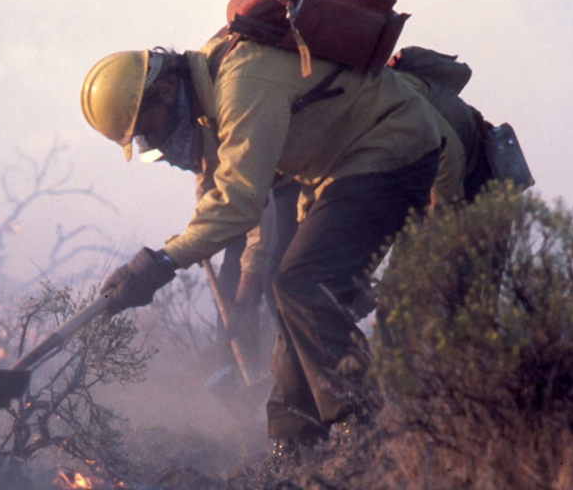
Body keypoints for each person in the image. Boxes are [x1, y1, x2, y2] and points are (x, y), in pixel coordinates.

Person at [80, 36, 445, 464]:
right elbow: (226, 188)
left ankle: (362, 430)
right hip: (339, 168)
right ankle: (292, 444)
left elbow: (239, 202)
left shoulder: (241, 83)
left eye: (149, 128)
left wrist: (160, 263)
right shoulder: (214, 91)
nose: (153, 140)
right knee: (291, 292)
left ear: (164, 91)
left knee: (302, 287)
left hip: (390, 145)